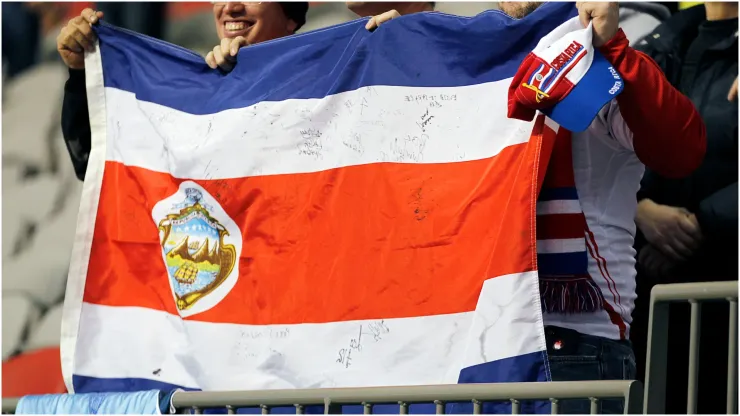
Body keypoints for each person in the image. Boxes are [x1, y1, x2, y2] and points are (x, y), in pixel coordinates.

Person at [370, 2, 705, 413]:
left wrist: (615, 49)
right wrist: (404, 56)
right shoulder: (470, 69)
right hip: (463, 345)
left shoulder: (597, 62)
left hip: (570, 347)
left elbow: (681, 150)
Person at [56, 2, 308, 181]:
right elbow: (93, 161)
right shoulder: (188, 94)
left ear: (292, 15)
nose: (230, 7)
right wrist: (81, 73)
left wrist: (254, 73)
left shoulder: (329, 93)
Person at [629, 2, 737, 413]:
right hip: (653, 296)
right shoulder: (659, 44)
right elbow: (617, 149)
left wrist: (702, 222)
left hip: (726, 282)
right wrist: (641, 211)